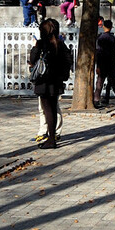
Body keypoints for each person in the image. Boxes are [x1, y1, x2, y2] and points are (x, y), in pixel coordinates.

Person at [29, 19, 73, 149]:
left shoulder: (42, 44)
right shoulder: (60, 44)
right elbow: (68, 61)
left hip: (44, 81)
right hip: (56, 81)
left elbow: (32, 59)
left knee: (47, 109)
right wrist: (63, 76)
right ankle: (52, 137)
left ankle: (51, 140)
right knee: (53, 109)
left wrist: (35, 46)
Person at [94, 19, 115, 108]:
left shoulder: (101, 38)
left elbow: (100, 52)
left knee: (100, 82)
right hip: (111, 62)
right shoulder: (112, 38)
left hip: (103, 63)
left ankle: (96, 99)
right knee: (114, 82)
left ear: (104, 26)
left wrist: (98, 65)